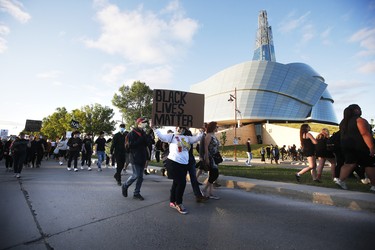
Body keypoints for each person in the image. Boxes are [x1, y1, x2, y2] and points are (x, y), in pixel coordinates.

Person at [154, 125, 203, 214]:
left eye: (182, 128)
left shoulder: (187, 138)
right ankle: (179, 203)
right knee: (182, 183)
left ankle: (172, 201)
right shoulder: (172, 136)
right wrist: (155, 129)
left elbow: (197, 138)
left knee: (176, 183)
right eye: (178, 127)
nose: (179, 129)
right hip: (173, 163)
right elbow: (162, 137)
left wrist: (201, 131)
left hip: (184, 164)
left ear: (184, 129)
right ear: (175, 128)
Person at [335, 104, 375, 191]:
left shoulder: (343, 122)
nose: (361, 110)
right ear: (356, 110)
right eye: (359, 109)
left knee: (349, 163)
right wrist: (371, 147)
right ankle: (373, 185)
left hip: (346, 146)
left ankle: (341, 180)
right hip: (360, 146)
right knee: (369, 164)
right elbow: (365, 134)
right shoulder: (359, 120)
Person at [122, 118, 151, 201]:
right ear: (138, 123)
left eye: (145, 123)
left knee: (141, 177)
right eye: (143, 122)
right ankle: (125, 185)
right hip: (134, 157)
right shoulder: (132, 134)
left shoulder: (143, 133)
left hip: (142, 157)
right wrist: (141, 139)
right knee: (136, 175)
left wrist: (147, 137)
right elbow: (130, 145)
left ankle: (136, 193)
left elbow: (147, 143)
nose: (145, 124)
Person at [183, 128, 208, 203]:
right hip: (183, 158)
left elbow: (195, 139)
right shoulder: (180, 133)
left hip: (189, 158)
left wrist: (201, 132)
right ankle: (175, 198)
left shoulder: (188, 132)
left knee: (193, 178)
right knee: (180, 180)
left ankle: (198, 195)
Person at [202, 121, 221, 200]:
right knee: (215, 174)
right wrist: (206, 158)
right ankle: (204, 190)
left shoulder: (213, 135)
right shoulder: (209, 136)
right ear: (213, 127)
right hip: (210, 157)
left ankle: (210, 193)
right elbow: (205, 147)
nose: (217, 128)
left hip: (215, 157)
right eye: (217, 127)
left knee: (212, 175)